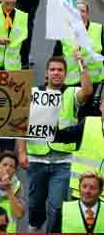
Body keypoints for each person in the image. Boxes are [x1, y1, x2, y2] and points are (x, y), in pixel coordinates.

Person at [17, 55, 93, 233]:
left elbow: (88, 91)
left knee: (57, 206)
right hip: (37, 159)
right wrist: (21, 152)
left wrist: (82, 65)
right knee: (35, 203)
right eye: (53, 69)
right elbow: (21, 124)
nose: (56, 73)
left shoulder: (71, 93)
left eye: (60, 70)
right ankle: (36, 223)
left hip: (63, 161)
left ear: (65, 74)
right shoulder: (34, 93)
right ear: (46, 73)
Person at [53, 0, 103, 93]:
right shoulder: (64, 31)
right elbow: (56, 57)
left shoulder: (99, 30)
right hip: (71, 83)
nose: (79, 14)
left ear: (87, 14)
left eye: (83, 11)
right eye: (76, 11)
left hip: (94, 82)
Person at [0, 151, 25, 232]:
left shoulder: (17, 186)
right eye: (4, 165)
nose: (7, 168)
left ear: (14, 170)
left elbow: (19, 214)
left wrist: (9, 190)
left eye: (12, 166)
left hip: (8, 231)